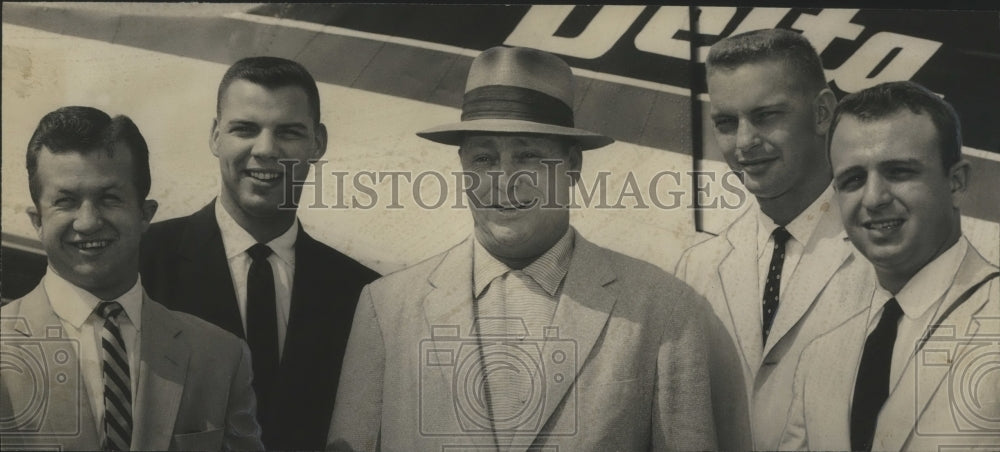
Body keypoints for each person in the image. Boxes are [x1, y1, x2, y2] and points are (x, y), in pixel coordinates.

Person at [327, 46, 735, 451]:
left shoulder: (661, 308)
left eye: (528, 156)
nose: (505, 179)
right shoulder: (386, 308)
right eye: (485, 158)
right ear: (463, 166)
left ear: (573, 165)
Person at [139, 57, 379, 450]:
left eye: (288, 132)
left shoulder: (363, 294)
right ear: (215, 136)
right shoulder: (143, 263)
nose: (266, 150)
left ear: (318, 142)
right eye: (245, 129)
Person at [1, 106, 263, 451]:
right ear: (37, 221)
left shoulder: (221, 358)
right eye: (65, 201)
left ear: (145, 214)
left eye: (109, 198)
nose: (88, 221)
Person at [673, 28, 877, 450]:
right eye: (727, 123)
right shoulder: (698, 266)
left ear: (823, 114)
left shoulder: (888, 256)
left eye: (766, 115)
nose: (745, 142)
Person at [780, 81, 999, 451]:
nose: (874, 198)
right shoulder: (821, 356)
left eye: (899, 172)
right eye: (852, 180)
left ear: (956, 183)